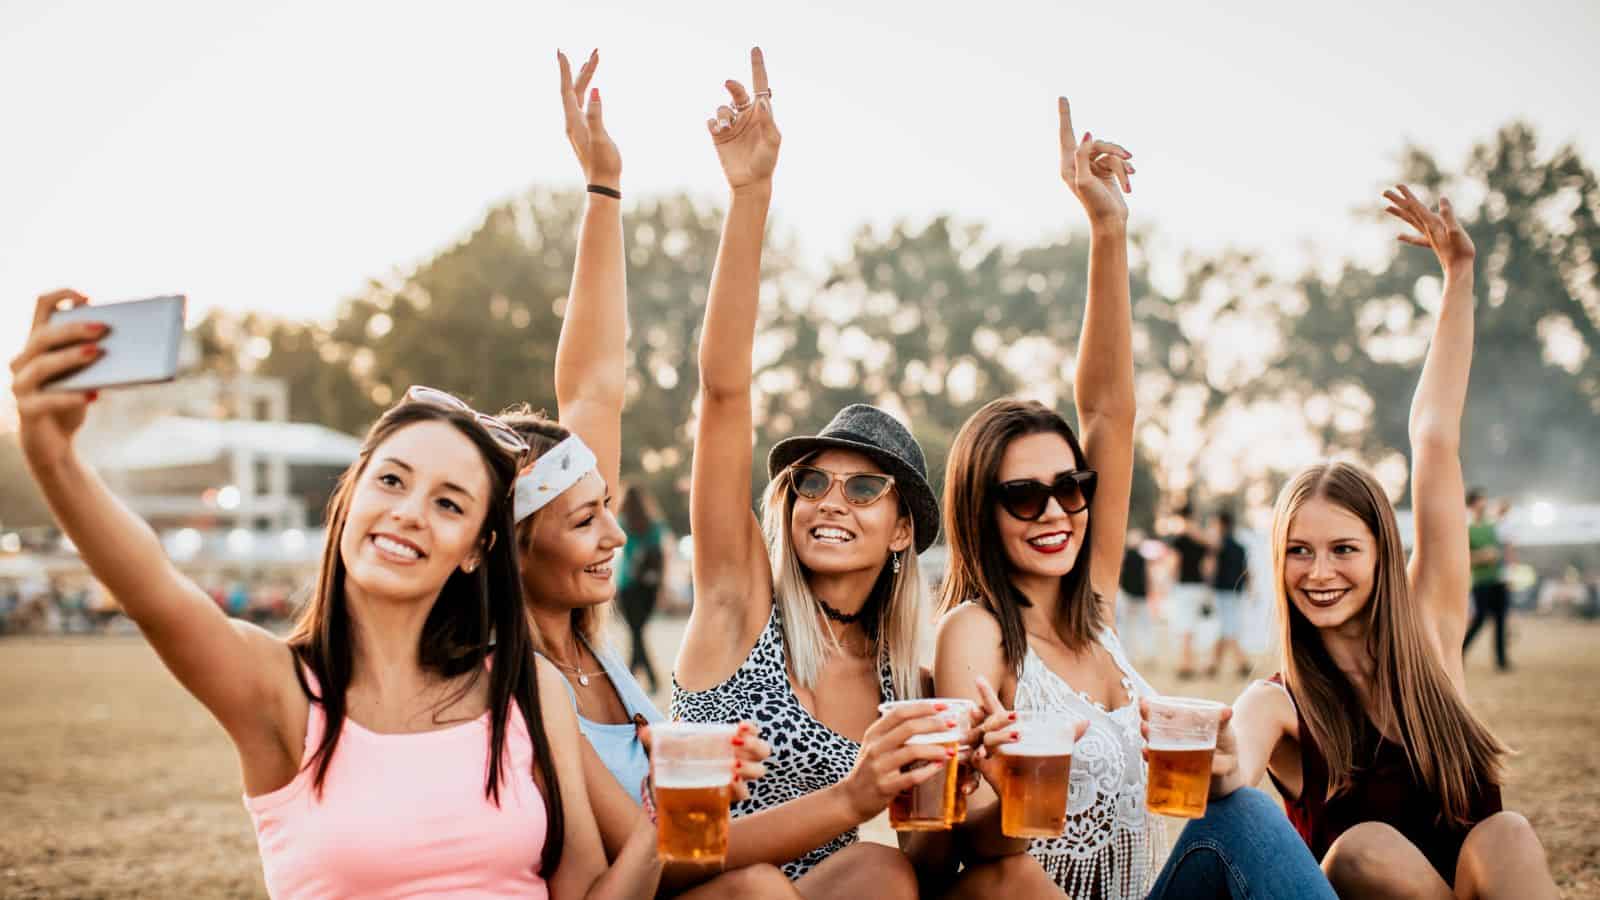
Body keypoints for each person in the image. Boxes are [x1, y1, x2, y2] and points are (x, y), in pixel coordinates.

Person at [11, 292, 660, 897]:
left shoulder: (526, 687)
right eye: (392, 480)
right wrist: (54, 455)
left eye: (448, 503)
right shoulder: (279, 690)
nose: (409, 512)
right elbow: (152, 588)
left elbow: (585, 890)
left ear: (475, 551)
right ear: (348, 499)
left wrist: (667, 821)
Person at [934, 99, 1334, 900]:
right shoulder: (974, 633)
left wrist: (1108, 229)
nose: (1056, 512)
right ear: (980, 510)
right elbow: (951, 848)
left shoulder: (1099, 605)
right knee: (1254, 821)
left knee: (1248, 815)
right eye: (1023, 496)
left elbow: (1111, 411)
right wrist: (1016, 785)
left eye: (1070, 487)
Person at [1198, 186, 1558, 898]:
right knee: (1364, 851)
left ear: (1383, 555)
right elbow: (1232, 763)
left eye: (1343, 549)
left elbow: (1433, 436)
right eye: (1298, 551)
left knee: (1507, 833)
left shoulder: (1432, 625)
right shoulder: (1281, 700)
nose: (1319, 571)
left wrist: (1459, 279)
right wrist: (1210, 757)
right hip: (1368, 884)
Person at [667, 48, 966, 896]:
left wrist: (955, 803)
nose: (831, 500)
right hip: (694, 879)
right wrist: (750, 194)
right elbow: (722, 394)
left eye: (866, 488)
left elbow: (927, 864)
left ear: (904, 527)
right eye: (812, 482)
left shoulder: (900, 676)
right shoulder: (741, 598)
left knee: (882, 871)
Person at [506, 50, 791, 899]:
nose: (618, 531)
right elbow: (670, 859)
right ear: (509, 541)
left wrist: (603, 186)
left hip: (683, 872)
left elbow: (594, 386)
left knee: (876, 875)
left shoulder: (584, 639)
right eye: (584, 518)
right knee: (762, 889)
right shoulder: (514, 668)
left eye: (606, 507)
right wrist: (856, 794)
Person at [617, 483, 668, 694]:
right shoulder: (655, 525)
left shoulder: (622, 523)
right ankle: (639, 678)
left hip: (627, 586)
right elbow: (662, 557)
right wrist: (661, 587)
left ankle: (634, 680)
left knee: (635, 633)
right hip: (649, 588)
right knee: (637, 633)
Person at [1462, 489, 1512, 671]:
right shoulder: (1466, 529)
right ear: (1472, 504)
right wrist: (1482, 556)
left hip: (1498, 579)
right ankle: (1460, 652)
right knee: (1480, 619)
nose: (1484, 504)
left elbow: (1505, 549)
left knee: (1500, 620)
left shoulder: (1494, 525)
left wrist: (1508, 574)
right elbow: (1464, 557)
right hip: (1480, 581)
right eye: (1480, 501)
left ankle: (1501, 661)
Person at [1165, 506, 1212, 680]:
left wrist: (1169, 582)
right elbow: (1207, 567)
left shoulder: (1180, 540)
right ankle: (1196, 663)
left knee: (1184, 625)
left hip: (1184, 587)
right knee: (1196, 626)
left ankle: (1186, 665)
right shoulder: (1202, 541)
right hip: (1199, 586)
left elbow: (1174, 564)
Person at [1207, 511, 1250, 679]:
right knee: (1227, 626)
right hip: (1237, 591)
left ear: (1221, 524)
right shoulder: (1240, 547)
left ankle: (1241, 662)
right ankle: (1214, 664)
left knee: (1227, 627)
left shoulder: (1218, 545)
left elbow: (1211, 569)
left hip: (1222, 590)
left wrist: (1208, 586)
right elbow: (1247, 571)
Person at [1118, 528, 1154, 667]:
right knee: (1142, 626)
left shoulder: (1125, 557)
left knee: (1127, 626)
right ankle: (1145, 653)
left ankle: (1128, 653)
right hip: (1136, 596)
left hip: (1130, 596)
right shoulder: (1141, 559)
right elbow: (1148, 577)